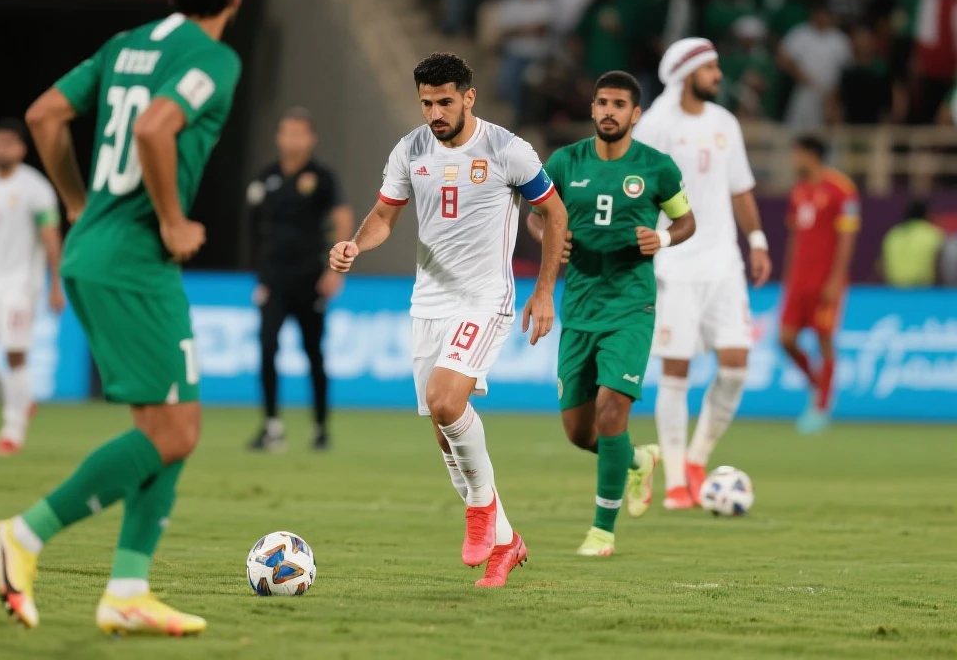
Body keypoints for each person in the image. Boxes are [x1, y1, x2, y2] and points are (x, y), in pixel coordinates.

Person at [0, 0, 253, 636]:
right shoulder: (213, 58)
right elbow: (157, 130)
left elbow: (44, 115)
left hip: (95, 247)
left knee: (169, 427)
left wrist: (77, 201)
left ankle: (128, 589)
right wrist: (173, 222)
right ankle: (24, 535)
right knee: (176, 429)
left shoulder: (126, 44)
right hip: (134, 257)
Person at [329, 52, 567, 587]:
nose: (434, 113)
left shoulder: (507, 149)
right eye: (426, 103)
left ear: (468, 97)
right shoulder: (410, 149)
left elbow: (553, 213)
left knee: (445, 400)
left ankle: (481, 509)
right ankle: (506, 541)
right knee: (447, 437)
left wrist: (544, 290)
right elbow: (384, 216)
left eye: (443, 102)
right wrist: (355, 245)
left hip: (485, 299)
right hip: (429, 304)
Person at [527, 71, 697, 554]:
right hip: (579, 308)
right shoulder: (565, 162)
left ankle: (602, 530)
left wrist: (662, 237)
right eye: (602, 102)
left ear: (635, 114)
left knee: (610, 410)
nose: (609, 111)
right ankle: (638, 459)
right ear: (592, 108)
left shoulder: (657, 168)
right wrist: (550, 240)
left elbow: (686, 220)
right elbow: (536, 218)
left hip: (630, 306)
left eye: (619, 105)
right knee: (579, 433)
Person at [632, 38, 772, 510]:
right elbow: (637, 189)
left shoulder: (724, 122)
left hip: (724, 264)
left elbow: (741, 189)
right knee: (676, 368)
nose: (718, 75)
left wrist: (757, 241)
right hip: (674, 263)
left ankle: (697, 459)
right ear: (686, 73)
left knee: (736, 366)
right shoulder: (656, 125)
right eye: (710, 68)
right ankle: (676, 481)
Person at [246, 108, 353, 451]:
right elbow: (254, 229)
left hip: (311, 279)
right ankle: (271, 426)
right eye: (286, 133)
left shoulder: (322, 177)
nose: (291, 140)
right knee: (267, 347)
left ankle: (320, 427)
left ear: (311, 138)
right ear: (279, 137)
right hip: (274, 280)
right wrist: (260, 275)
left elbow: (342, 217)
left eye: (298, 133)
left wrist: (335, 270)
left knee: (313, 353)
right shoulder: (266, 178)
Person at [0, 118, 65, 456]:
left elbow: (51, 236)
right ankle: (19, 401)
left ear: (22, 149)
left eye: (9, 142)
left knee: (15, 353)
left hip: (20, 283)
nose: (1, 148)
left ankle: (12, 431)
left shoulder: (36, 188)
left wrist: (55, 283)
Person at [780, 136, 860, 435]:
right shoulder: (798, 191)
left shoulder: (842, 189)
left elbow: (848, 236)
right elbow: (796, 237)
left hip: (826, 279)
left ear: (810, 155)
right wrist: (789, 276)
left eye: (797, 154)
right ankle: (818, 386)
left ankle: (822, 406)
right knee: (785, 339)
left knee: (824, 338)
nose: (793, 160)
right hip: (799, 280)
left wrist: (837, 278)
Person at [777, 6, 852, 127]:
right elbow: (782, 58)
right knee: (797, 127)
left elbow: (846, 67)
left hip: (830, 93)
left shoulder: (839, 39)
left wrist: (835, 95)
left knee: (826, 129)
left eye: (826, 15)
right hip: (805, 89)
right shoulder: (800, 33)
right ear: (813, 15)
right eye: (820, 15)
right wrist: (799, 75)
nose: (823, 18)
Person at [881, 200, 945, 287]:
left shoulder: (893, 234)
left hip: (894, 289)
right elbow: (939, 266)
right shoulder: (933, 234)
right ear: (926, 214)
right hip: (924, 290)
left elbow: (881, 266)